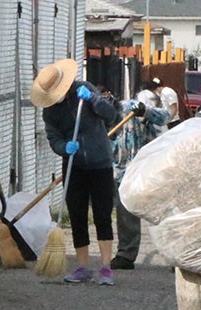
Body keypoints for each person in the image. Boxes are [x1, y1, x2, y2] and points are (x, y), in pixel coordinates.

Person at [30, 59, 118, 285]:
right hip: (74, 165)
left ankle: (106, 268)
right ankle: (83, 267)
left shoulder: (84, 90)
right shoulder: (50, 112)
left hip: (100, 163)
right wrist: (64, 147)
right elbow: (53, 139)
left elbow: (111, 114)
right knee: (78, 216)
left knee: (102, 215)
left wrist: (94, 99)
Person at [109, 98, 170, 270]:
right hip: (120, 175)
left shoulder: (129, 108)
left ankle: (175, 256)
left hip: (148, 168)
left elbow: (165, 116)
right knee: (125, 214)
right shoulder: (96, 120)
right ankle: (125, 255)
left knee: (163, 213)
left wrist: (145, 112)